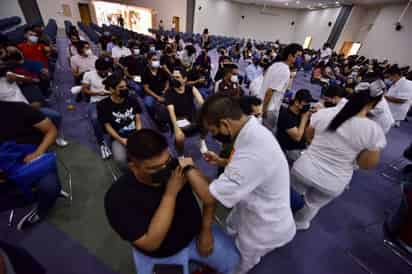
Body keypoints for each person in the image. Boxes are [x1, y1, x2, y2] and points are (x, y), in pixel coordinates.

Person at [104, 129, 240, 274]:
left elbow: (209, 197)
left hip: (195, 235)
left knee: (234, 261)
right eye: (154, 168)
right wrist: (170, 194)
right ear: (133, 167)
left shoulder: (174, 167)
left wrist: (206, 231)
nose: (164, 169)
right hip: (161, 254)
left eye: (166, 162)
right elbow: (151, 243)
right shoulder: (118, 197)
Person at [196, 95, 296, 274]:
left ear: (225, 124)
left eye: (213, 131)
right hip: (251, 207)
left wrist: (189, 169)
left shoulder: (254, 150)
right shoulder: (250, 130)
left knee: (238, 263)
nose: (213, 136)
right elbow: (247, 167)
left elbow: (210, 196)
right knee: (230, 230)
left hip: (266, 225)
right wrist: (221, 161)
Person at [291, 82, 387, 230]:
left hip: (304, 168)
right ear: (375, 103)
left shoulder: (324, 113)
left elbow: (309, 136)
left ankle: (278, 220)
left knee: (289, 196)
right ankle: (298, 224)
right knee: (312, 204)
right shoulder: (373, 131)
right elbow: (365, 164)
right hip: (333, 181)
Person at [0, 101, 61, 230]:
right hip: (5, 162)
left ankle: (40, 211)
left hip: (32, 155)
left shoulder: (18, 108)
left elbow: (52, 131)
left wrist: (37, 153)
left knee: (50, 188)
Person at [0, 68, 68, 147]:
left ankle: (57, 137)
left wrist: (17, 77)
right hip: (11, 113)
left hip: (28, 108)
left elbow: (31, 80)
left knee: (56, 116)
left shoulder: (8, 74)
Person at [97, 73, 142, 164]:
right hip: (119, 137)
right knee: (120, 160)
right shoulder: (103, 105)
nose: (125, 89)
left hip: (135, 133)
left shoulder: (132, 99)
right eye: (121, 88)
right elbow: (108, 126)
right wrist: (121, 140)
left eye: (125, 87)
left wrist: (139, 133)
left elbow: (137, 118)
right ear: (111, 89)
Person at [261, 43, 303, 134]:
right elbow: (270, 91)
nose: (299, 59)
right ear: (290, 56)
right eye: (298, 56)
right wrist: (264, 111)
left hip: (264, 105)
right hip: (270, 109)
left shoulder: (275, 65)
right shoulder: (284, 70)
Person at [166, 69, 204, 156]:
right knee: (179, 138)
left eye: (177, 77)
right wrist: (176, 129)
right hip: (178, 119)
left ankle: (201, 140)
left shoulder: (191, 88)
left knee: (206, 123)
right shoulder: (169, 93)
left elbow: (202, 102)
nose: (174, 79)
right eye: (173, 77)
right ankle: (181, 154)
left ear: (184, 79)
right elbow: (171, 112)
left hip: (192, 117)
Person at [81, 57, 113, 159]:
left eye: (107, 70)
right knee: (95, 119)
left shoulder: (111, 75)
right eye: (103, 70)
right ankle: (102, 143)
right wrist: (98, 93)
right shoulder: (89, 75)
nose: (105, 72)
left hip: (109, 99)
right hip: (96, 101)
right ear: (97, 69)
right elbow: (85, 90)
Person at [276, 89, 314, 163]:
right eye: (305, 103)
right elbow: (297, 137)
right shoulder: (285, 115)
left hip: (302, 148)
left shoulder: (301, 113)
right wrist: (304, 118)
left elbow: (307, 135)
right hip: (289, 150)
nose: (307, 105)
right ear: (296, 102)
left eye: (308, 103)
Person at [142, 53, 170, 131]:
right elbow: (146, 88)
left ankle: (168, 119)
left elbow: (167, 80)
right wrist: (157, 97)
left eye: (157, 60)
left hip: (162, 92)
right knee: (148, 104)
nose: (156, 61)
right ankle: (155, 119)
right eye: (154, 59)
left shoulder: (161, 70)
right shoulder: (145, 71)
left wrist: (165, 89)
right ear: (148, 61)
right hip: (151, 94)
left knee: (169, 102)